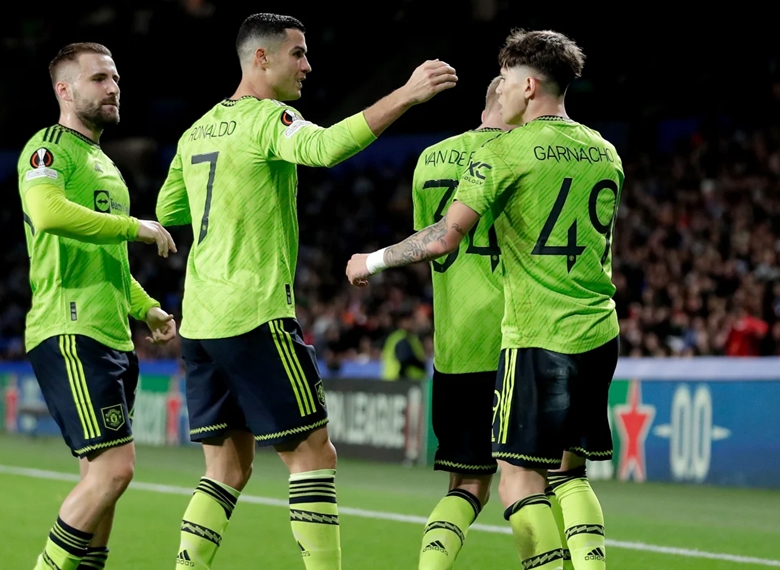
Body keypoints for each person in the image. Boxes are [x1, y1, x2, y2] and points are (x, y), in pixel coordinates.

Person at [155, 13, 457, 570]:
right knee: (315, 456)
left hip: (199, 321)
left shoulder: (196, 131)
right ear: (261, 58)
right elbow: (324, 147)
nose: (308, 65)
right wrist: (407, 95)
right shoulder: (270, 118)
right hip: (254, 313)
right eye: (297, 53)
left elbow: (169, 208)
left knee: (226, 470)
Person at [346, 29, 623, 570]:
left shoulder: (498, 153)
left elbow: (443, 236)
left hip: (527, 337)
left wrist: (372, 260)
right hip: (597, 331)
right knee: (571, 472)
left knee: (510, 479)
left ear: (528, 84)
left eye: (510, 76)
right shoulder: (605, 151)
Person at [17, 42, 178, 570]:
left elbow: (109, 260)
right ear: (64, 90)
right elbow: (48, 213)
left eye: (115, 79)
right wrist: (135, 227)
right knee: (114, 470)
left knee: (101, 479)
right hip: (70, 328)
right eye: (99, 79)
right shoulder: (48, 149)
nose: (113, 88)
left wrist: (146, 308)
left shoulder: (105, 165)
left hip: (111, 334)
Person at [409, 76, 513, 569]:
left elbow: (427, 241)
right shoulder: (521, 156)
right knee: (541, 480)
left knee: (467, 484)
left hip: (454, 345)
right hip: (517, 338)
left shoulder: (429, 158)